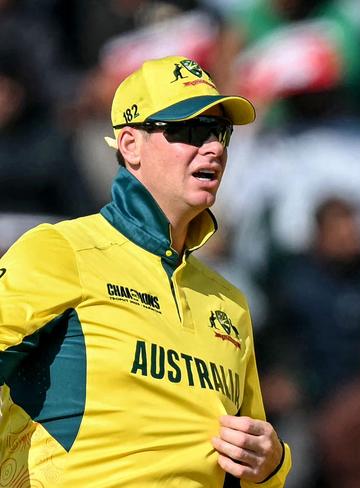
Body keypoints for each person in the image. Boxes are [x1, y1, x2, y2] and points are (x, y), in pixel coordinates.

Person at [0, 55, 291, 487]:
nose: (213, 147)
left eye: (219, 132)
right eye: (189, 130)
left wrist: (272, 464)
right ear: (130, 145)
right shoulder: (60, 250)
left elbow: (249, 465)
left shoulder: (231, 302)